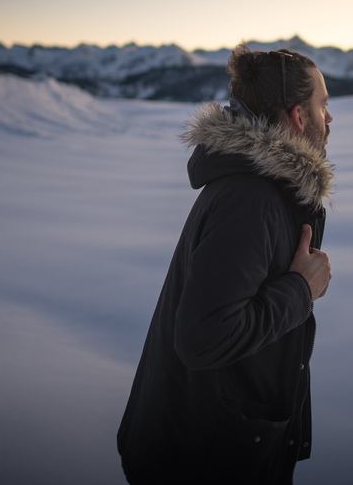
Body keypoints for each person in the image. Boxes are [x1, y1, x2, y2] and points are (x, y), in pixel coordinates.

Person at [117, 42, 335, 484]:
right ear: (298, 116)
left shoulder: (260, 189)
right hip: (200, 462)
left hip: (214, 445)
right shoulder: (250, 201)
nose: (329, 118)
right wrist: (300, 290)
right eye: (322, 104)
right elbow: (205, 339)